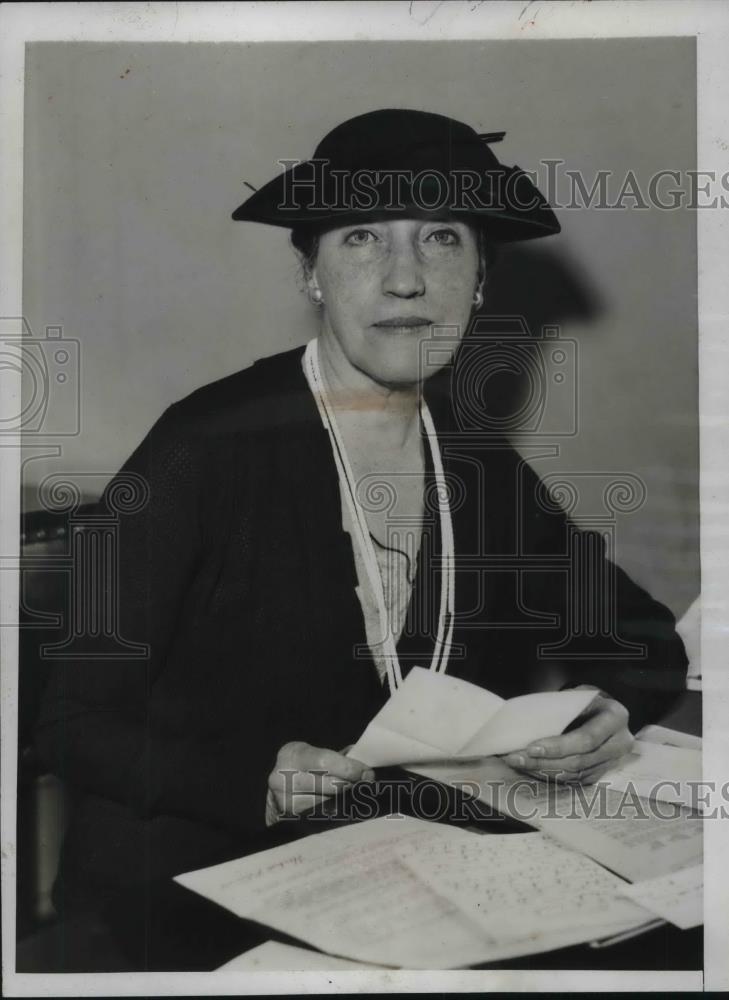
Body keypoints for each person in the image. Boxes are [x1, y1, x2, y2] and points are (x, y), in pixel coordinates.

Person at [35, 109, 688, 922]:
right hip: (188, 895)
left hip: (405, 884)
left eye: (441, 239)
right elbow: (69, 719)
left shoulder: (480, 466)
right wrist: (253, 779)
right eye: (360, 238)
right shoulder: (198, 446)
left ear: (480, 280)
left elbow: (643, 636)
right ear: (310, 273)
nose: (405, 278)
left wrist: (608, 710)